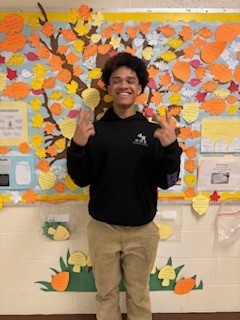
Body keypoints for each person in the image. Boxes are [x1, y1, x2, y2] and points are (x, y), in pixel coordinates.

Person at [67, 52, 182, 320]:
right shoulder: (94, 131)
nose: (124, 85)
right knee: (105, 294)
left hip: (142, 231)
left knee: (138, 293)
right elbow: (80, 178)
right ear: (108, 87)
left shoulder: (154, 132)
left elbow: (167, 182)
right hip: (103, 230)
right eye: (116, 80)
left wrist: (171, 149)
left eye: (131, 80)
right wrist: (78, 146)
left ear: (140, 88)